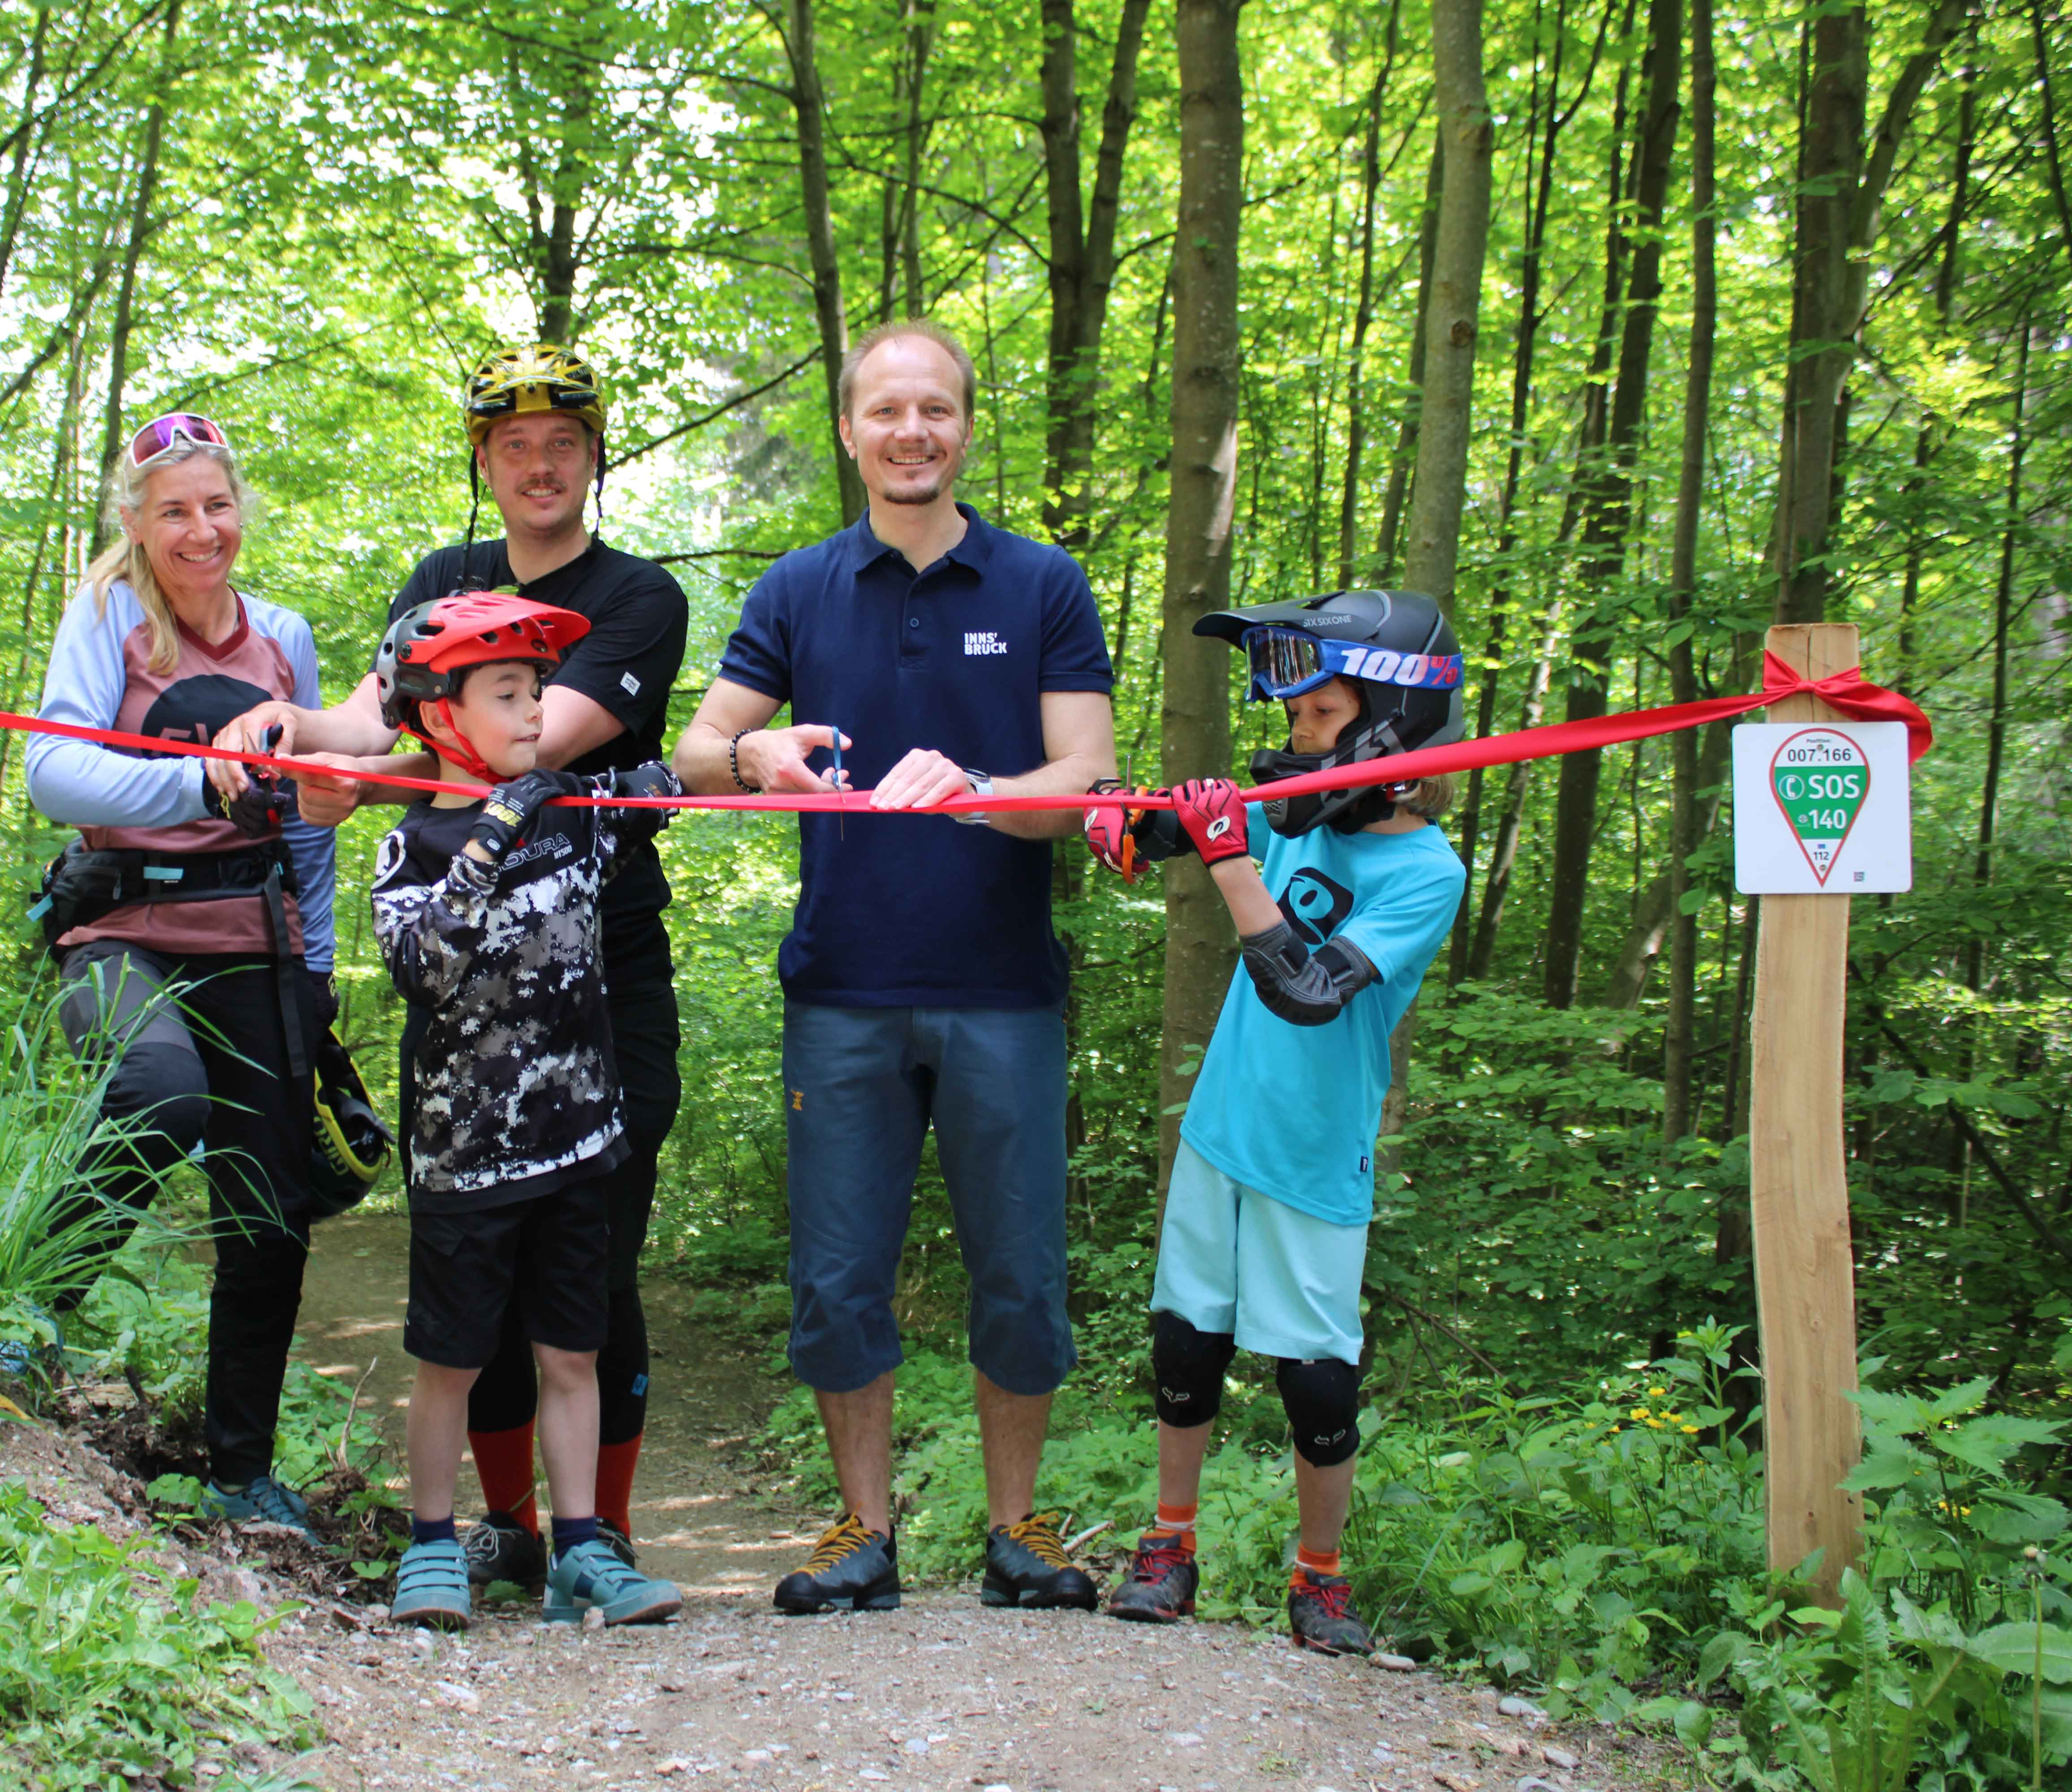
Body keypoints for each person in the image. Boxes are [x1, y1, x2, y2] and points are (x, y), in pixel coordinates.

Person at [213, 344, 690, 1590]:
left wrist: (388, 764)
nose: (542, 464)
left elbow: (540, 744)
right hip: (472, 1004)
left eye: (566, 444)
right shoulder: (442, 581)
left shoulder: (635, 596)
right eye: (515, 446)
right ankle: (505, 1529)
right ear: (484, 460)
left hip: (601, 971)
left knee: (595, 1260)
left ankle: (603, 1531)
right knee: (473, 1282)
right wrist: (277, 728)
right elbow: (376, 723)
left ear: (595, 456)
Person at [672, 319, 1119, 1615]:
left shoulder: (1043, 584)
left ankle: (1018, 1529)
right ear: (853, 432)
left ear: (967, 426)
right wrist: (758, 758)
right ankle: (861, 1534)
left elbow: (1086, 780)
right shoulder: (799, 589)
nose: (912, 432)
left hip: (1004, 990)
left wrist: (976, 788)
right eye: (887, 412)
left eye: (936, 410)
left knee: (1023, 1272)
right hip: (843, 988)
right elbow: (699, 753)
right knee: (838, 1273)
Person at [1083, 588, 1468, 1654]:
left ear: (1390, 721)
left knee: (1316, 1371)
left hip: (1314, 1153)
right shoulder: (1280, 809)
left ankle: (1321, 1574)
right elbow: (1159, 830)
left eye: (1319, 717)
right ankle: (1170, 1544)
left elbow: (1304, 986)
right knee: (1186, 1335)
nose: (1296, 738)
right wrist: (1117, 813)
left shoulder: (1426, 872)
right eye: (1293, 717)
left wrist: (1228, 857)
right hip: (1222, 1128)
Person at [22, 411, 339, 1532]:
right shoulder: (112, 616)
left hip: (256, 936)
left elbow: (311, 811)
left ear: (240, 511)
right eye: (174, 512)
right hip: (125, 929)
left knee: (272, 1202)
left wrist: (321, 963)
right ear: (136, 523)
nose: (201, 530)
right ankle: (26, 1319)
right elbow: (52, 770)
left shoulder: (283, 636)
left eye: (217, 506)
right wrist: (195, 789)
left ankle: (241, 1470)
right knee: (160, 1093)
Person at [365, 590, 686, 1631]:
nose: (537, 709)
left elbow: (671, 791)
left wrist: (724, 764)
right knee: (453, 1357)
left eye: (539, 688)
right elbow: (423, 967)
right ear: (438, 714)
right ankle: (430, 1543)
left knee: (572, 1351)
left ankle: (585, 1547)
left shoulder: (573, 815)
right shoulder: (411, 849)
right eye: (508, 692)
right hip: (465, 1156)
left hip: (581, 1143)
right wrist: (491, 835)